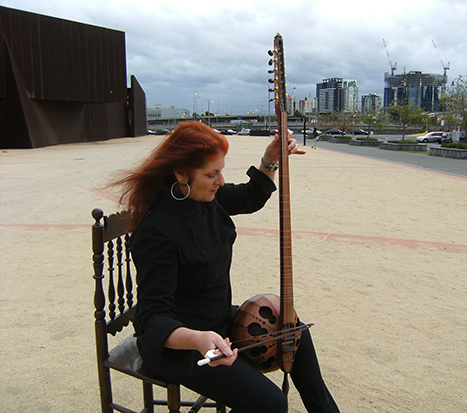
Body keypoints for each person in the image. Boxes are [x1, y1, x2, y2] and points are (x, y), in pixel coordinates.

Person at [111, 121, 340, 413]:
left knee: (295, 331)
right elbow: (152, 318)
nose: (220, 181)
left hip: (216, 319)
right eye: (211, 174)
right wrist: (197, 339)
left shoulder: (205, 196)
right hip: (180, 344)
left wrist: (270, 158)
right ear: (181, 174)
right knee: (271, 404)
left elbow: (252, 196)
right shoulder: (158, 230)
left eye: (221, 171)